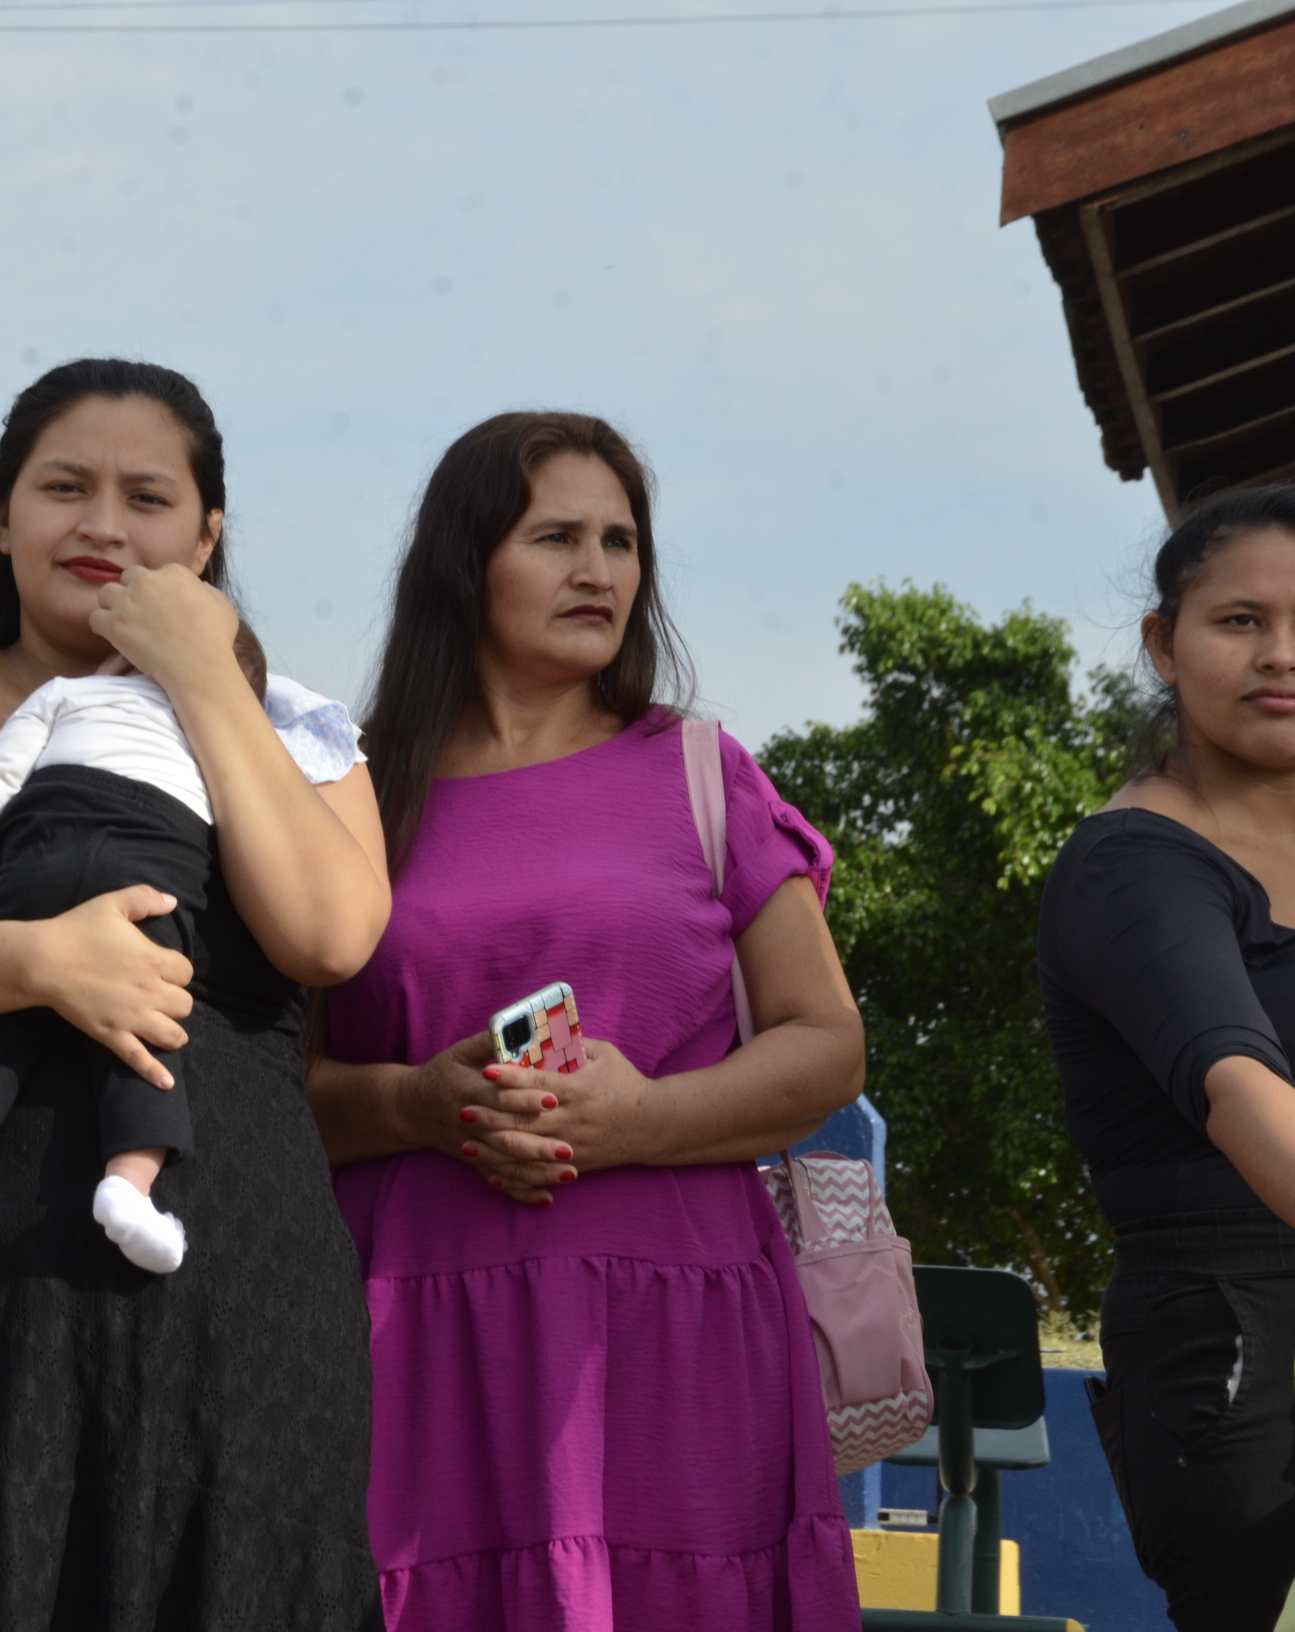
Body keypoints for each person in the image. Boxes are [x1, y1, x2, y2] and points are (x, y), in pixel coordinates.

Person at [0, 358, 394, 1630]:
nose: (102, 525)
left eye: (147, 498)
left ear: (206, 536)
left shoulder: (298, 731)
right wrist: (33, 959)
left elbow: (330, 933)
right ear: (2, 515)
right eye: (63, 487)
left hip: (231, 1306)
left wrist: (206, 680)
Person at [307, 412, 867, 1630]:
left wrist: (642, 1119)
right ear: (464, 563)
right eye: (556, 535)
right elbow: (272, 1088)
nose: (599, 569)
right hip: (410, 1319)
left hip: (677, 1324)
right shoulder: (343, 792)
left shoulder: (701, 771)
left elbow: (826, 1046)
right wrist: (415, 1102)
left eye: (621, 540)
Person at [1039, 460, 1295, 1632]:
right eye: (1238, 620)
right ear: (1162, 641)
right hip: (1239, 1338)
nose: (1279, 654)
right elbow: (1230, 1070)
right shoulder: (1133, 862)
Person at [0, 622, 355, 1274]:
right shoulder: (226, 740)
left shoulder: (67, 693)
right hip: (153, 867)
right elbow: (257, 840)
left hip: (43, 846)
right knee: (148, 1032)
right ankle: (129, 1186)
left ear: (120, 661)